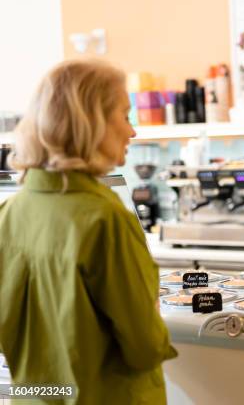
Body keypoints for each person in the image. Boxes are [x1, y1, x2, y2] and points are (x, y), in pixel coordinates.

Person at [0, 60, 177, 403]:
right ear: (91, 122)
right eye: (126, 116)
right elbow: (145, 347)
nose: (132, 131)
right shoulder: (105, 219)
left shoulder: (9, 215)